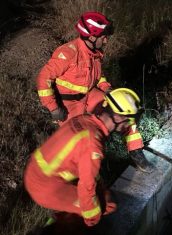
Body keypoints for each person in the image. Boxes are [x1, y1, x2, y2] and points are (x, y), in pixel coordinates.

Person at [36, 11, 152, 172]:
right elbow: (44, 78)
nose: (106, 39)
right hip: (68, 105)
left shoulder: (95, 54)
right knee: (79, 143)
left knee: (124, 108)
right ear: (91, 37)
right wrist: (53, 108)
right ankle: (87, 175)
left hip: (90, 95)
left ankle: (135, 150)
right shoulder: (68, 53)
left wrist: (107, 89)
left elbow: (99, 76)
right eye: (103, 36)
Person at [24, 88, 149, 227]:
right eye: (130, 120)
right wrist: (92, 219)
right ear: (119, 118)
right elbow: (86, 187)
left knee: (99, 192)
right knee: (107, 205)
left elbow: (84, 166)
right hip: (44, 187)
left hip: (38, 170)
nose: (130, 125)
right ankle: (61, 228)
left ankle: (58, 217)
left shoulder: (84, 119)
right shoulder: (92, 144)